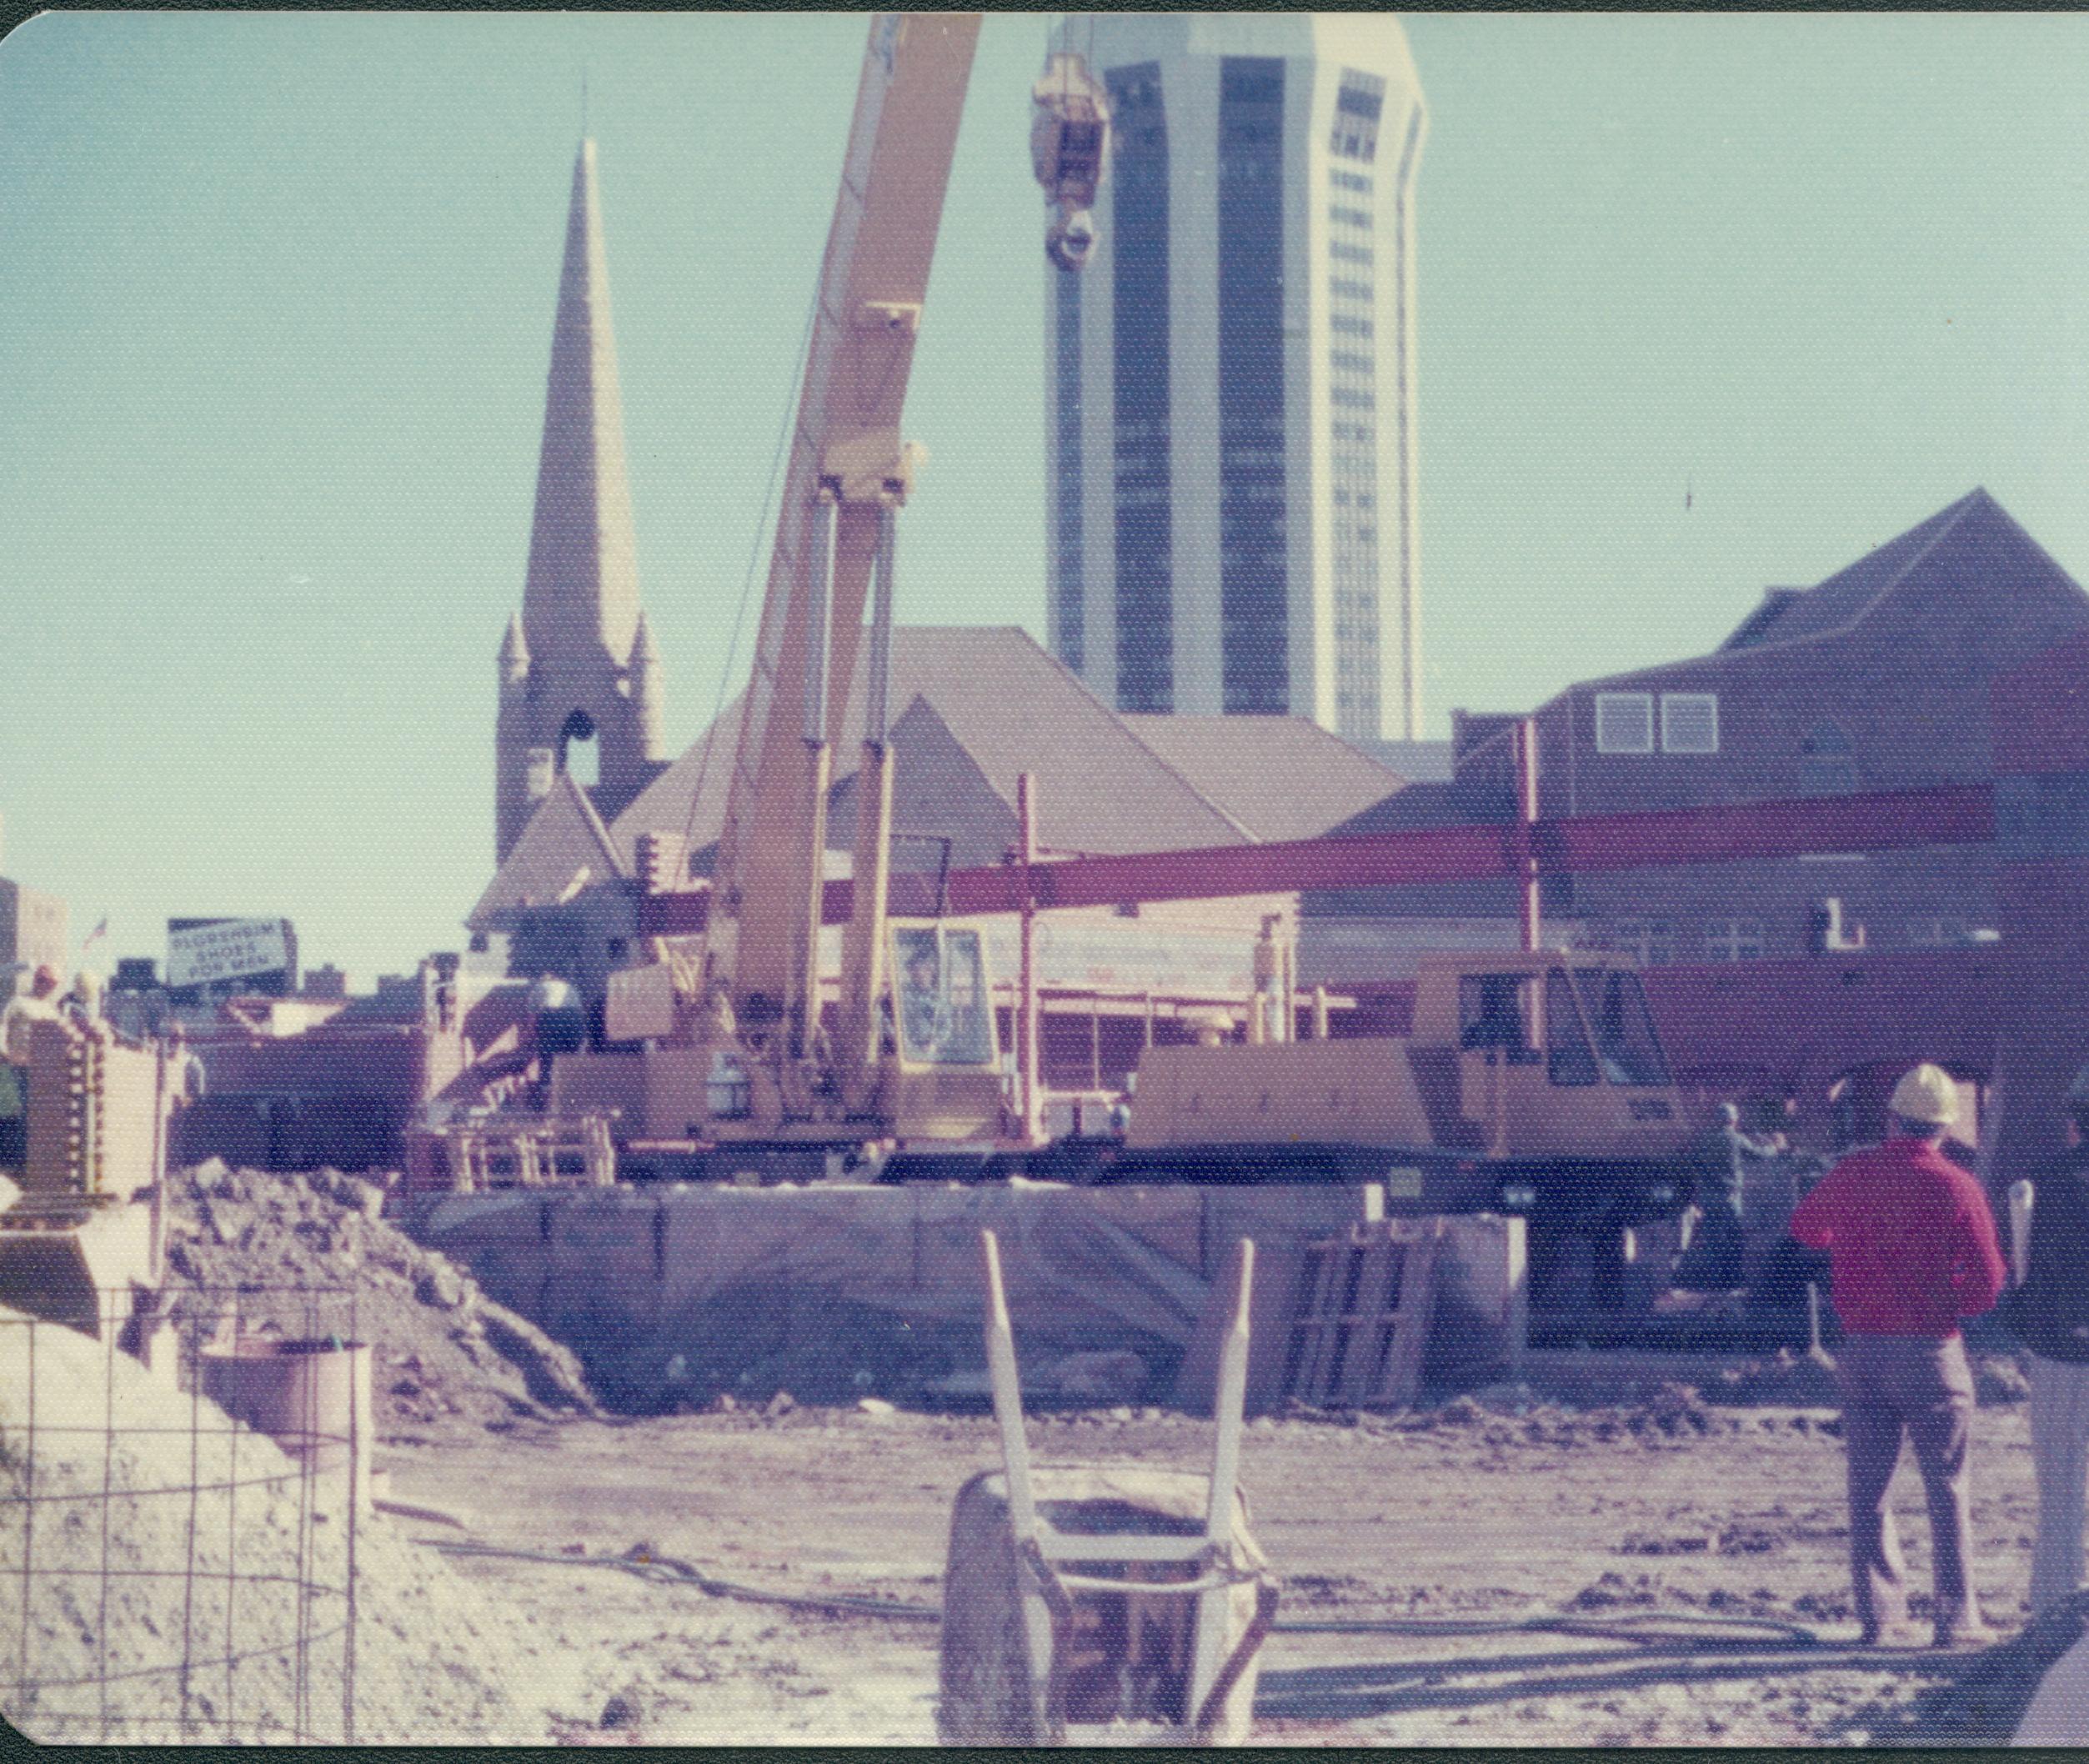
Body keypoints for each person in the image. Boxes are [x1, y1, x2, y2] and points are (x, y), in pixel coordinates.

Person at [1789, 1062, 2008, 1649]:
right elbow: (1988, 1285)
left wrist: (1855, 1248)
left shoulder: (1854, 1171)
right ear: (1945, 1127)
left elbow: (1807, 1229)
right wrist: (1949, 1293)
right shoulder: (1959, 1185)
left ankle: (1880, 1618)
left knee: (1869, 1490)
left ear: (1892, 1119)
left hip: (1861, 1352)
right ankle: (1955, 1619)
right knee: (1948, 1487)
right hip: (1932, 1352)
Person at [1999, 1064, 2089, 1613]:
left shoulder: (2040, 1183)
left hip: (2060, 1351)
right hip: (2060, 1343)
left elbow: (2024, 1273)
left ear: (2075, 1122)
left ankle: (2056, 1609)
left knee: (2060, 1486)